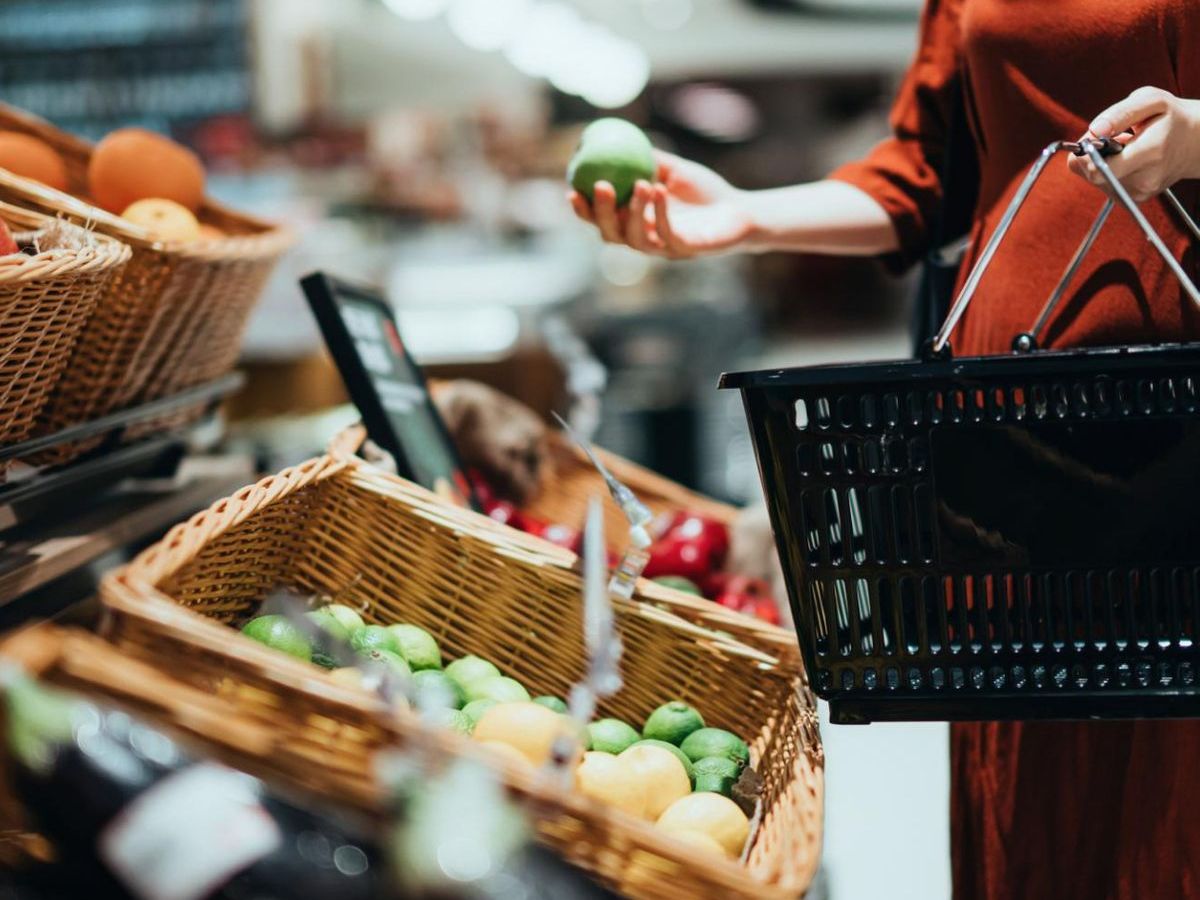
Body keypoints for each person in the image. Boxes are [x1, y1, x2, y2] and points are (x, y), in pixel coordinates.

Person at [569, 2, 1200, 899]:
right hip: (1006, 451)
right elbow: (921, 173)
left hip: (1180, 445)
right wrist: (745, 217)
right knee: (1030, 789)